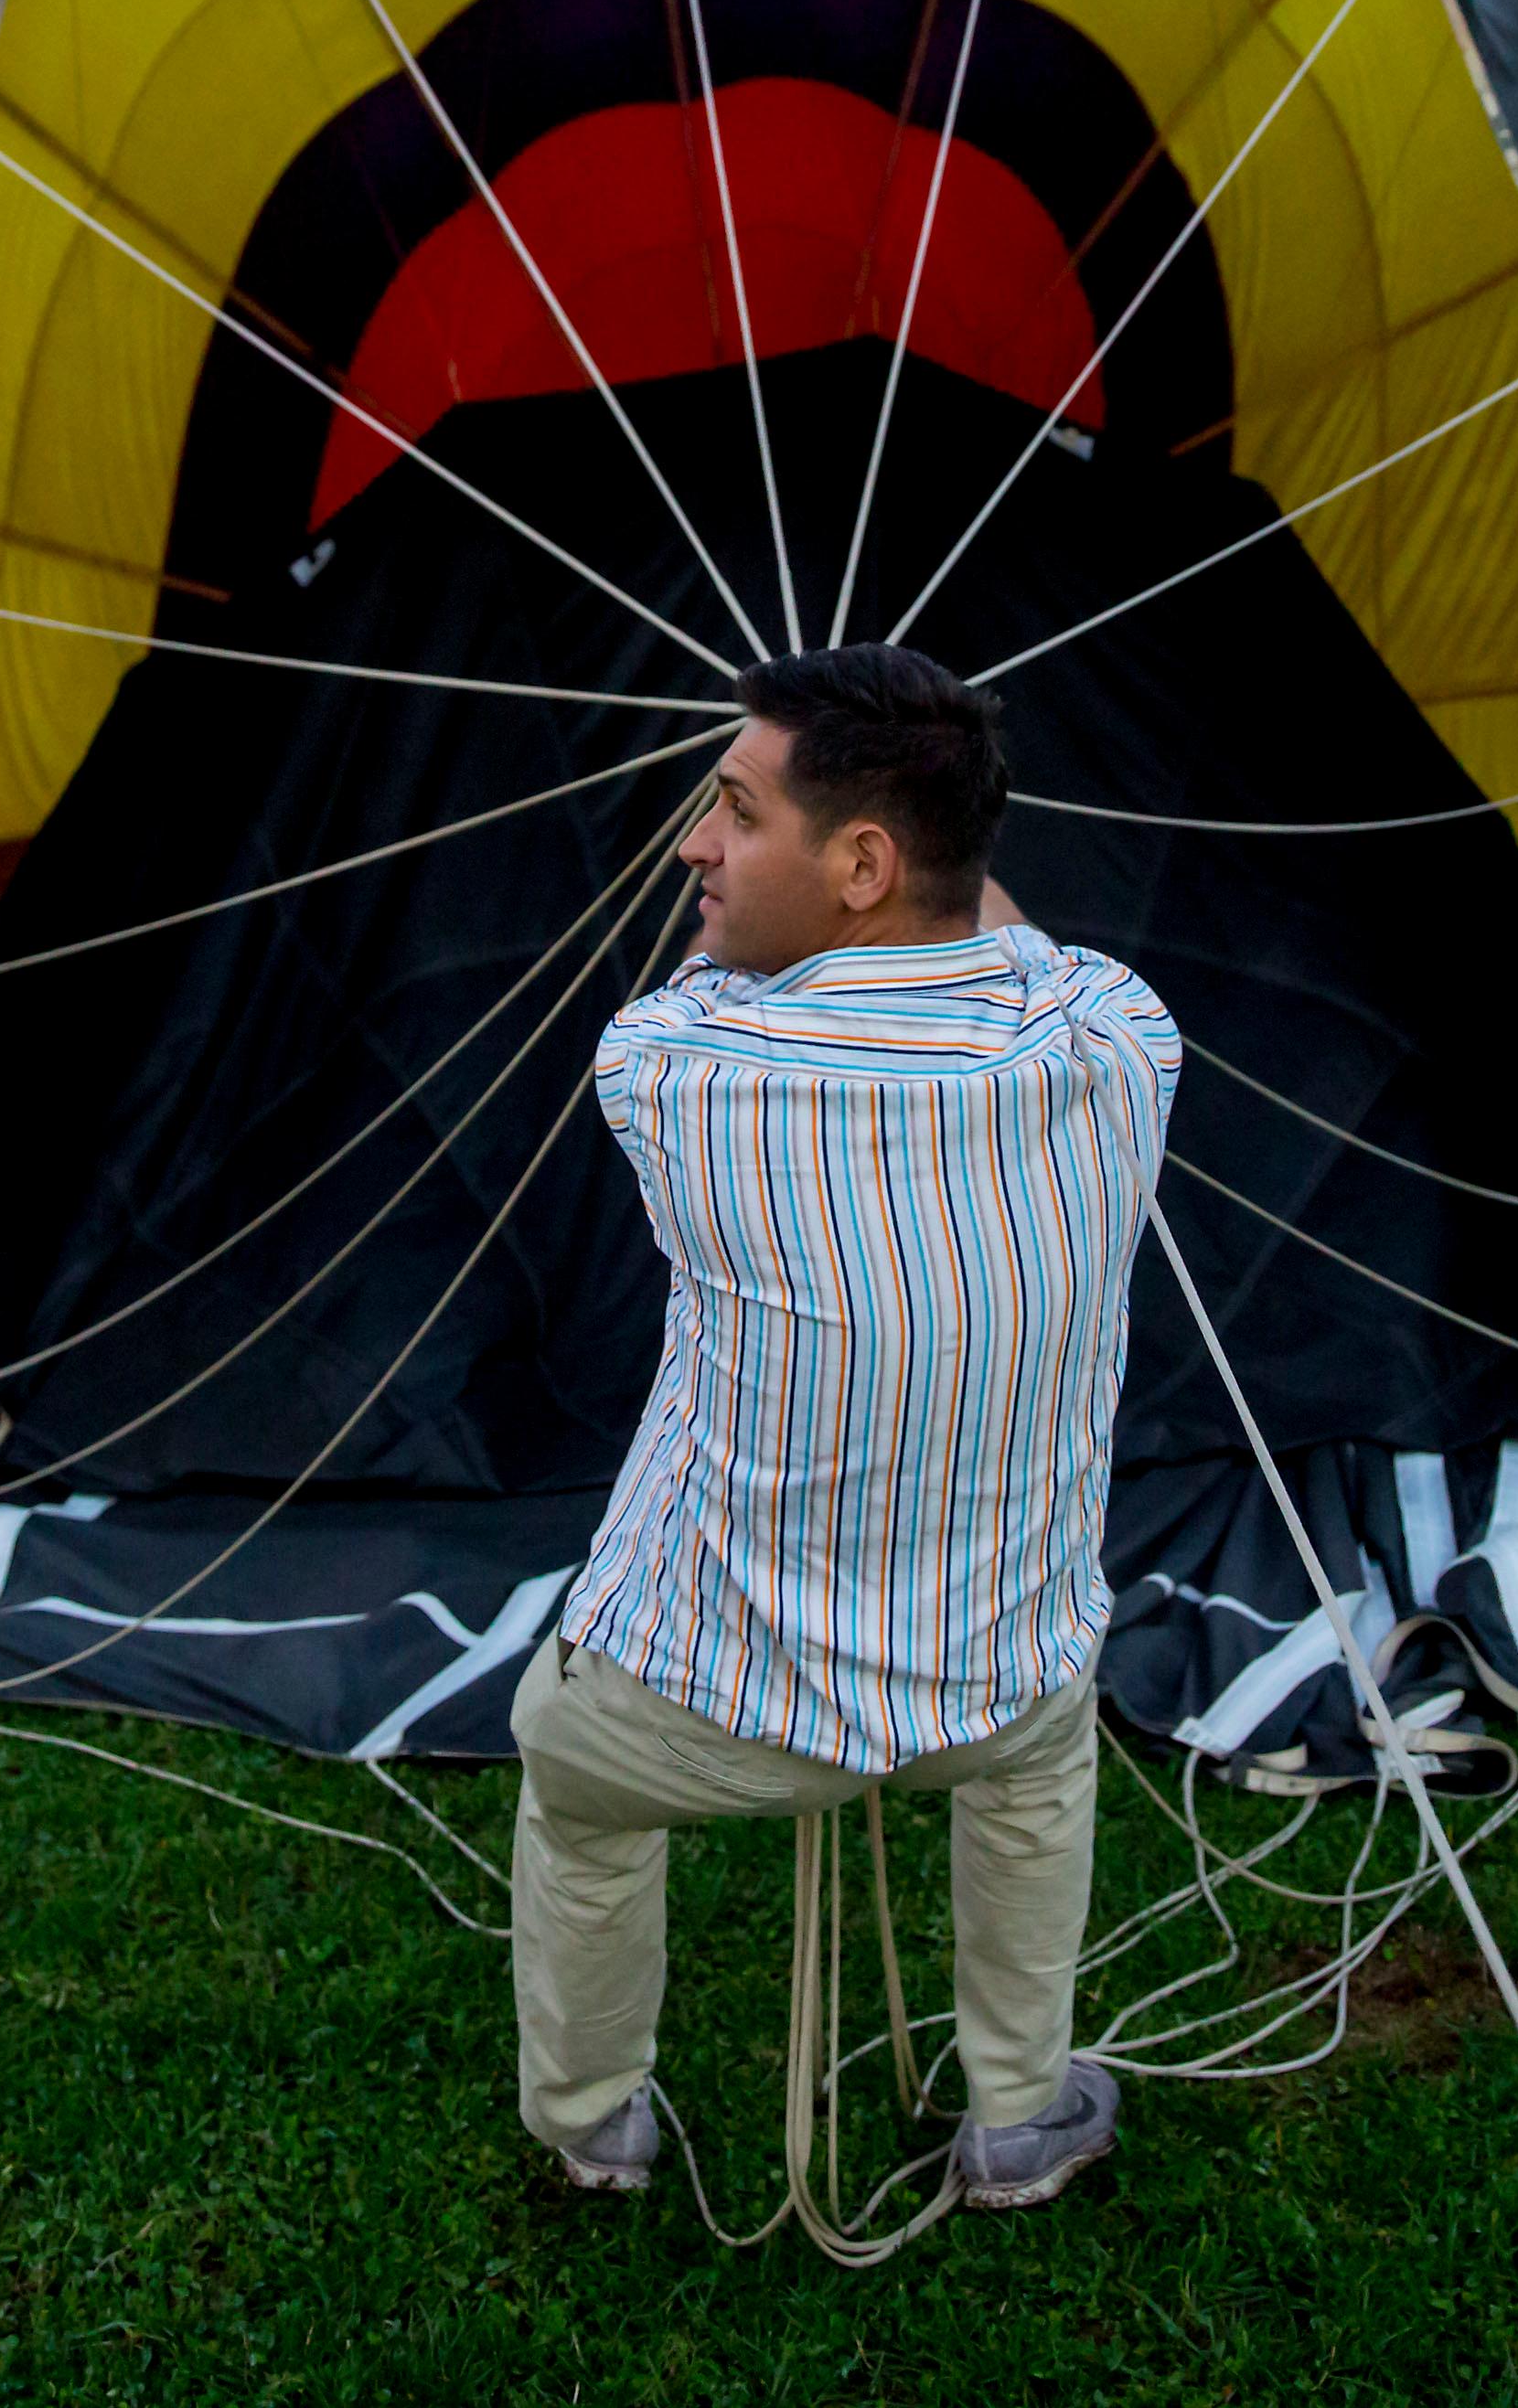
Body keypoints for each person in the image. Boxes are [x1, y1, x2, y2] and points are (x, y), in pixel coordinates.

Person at [509, 642, 1181, 2213]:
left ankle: (590, 2124)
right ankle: (1020, 2109)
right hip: (995, 1681)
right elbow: (1006, 942)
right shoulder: (1118, 1044)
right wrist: (937, 877)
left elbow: (729, 983)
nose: (696, 846)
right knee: (1041, 1760)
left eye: (735, 812)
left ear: (861, 863)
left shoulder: (676, 1069)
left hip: (704, 1701)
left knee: (570, 1783)